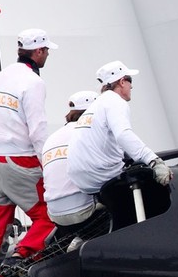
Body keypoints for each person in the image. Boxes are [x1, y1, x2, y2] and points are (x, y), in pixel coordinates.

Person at [0, 28, 59, 277]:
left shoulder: (1, 76)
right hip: (20, 161)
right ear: (37, 52)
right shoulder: (34, 82)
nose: (47, 55)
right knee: (51, 214)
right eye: (46, 50)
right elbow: (38, 130)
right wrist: (50, 165)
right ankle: (20, 256)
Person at [67, 61, 171, 196]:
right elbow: (123, 135)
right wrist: (154, 161)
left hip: (83, 183)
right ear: (122, 82)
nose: (131, 86)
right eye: (130, 80)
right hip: (101, 177)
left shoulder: (95, 106)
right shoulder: (114, 101)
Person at [41, 90, 109, 247]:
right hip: (83, 214)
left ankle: (79, 241)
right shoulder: (89, 132)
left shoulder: (53, 137)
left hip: (56, 217)